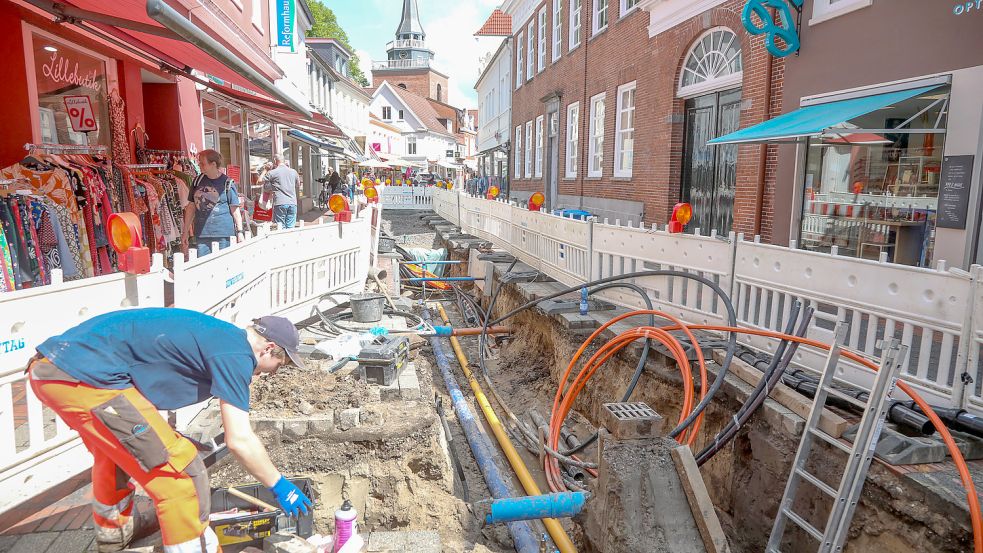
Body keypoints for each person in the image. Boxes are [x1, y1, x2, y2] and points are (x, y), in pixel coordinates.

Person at [27, 309, 314, 553]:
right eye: (276, 366)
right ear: (267, 348)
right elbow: (238, 439)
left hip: (59, 368)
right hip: (84, 377)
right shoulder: (236, 354)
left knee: (117, 456)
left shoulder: (222, 338)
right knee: (182, 476)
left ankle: (114, 535)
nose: (267, 374)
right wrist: (279, 485)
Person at [182, 150, 243, 257]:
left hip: (223, 234)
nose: (199, 165)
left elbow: (235, 210)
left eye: (202, 163)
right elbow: (191, 207)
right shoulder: (197, 181)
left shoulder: (227, 183)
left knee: (223, 267)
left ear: (213, 164)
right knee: (204, 267)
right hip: (202, 234)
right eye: (199, 162)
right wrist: (185, 232)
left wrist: (240, 232)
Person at [261, 155, 301, 229]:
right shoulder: (293, 171)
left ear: (275, 161)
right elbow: (298, 185)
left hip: (280, 202)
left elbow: (259, 181)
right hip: (292, 202)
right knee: (291, 228)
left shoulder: (272, 172)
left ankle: (284, 240)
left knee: (280, 228)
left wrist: (265, 170)